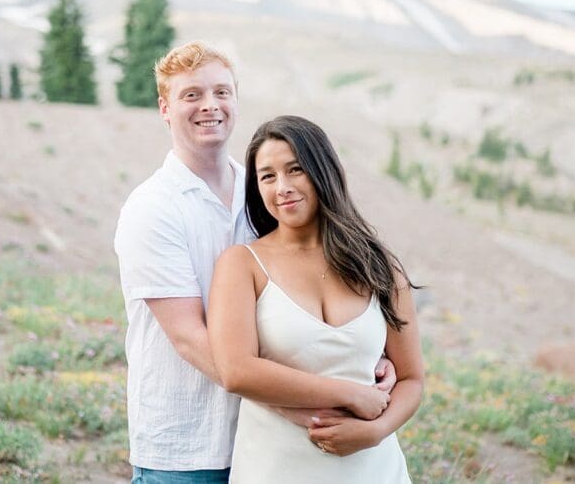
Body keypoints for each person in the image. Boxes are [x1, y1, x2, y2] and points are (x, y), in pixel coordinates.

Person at [115, 42, 395, 483]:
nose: (210, 105)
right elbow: (189, 339)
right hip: (189, 447)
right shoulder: (152, 208)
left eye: (221, 92)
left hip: (269, 448)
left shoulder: (267, 190)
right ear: (165, 108)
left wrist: (366, 358)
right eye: (192, 95)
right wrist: (306, 407)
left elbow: (309, 286)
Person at [208, 115, 424, 482]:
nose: (283, 187)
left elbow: (411, 378)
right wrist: (350, 394)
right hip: (275, 470)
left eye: (295, 170)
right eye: (267, 176)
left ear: (323, 171)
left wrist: (375, 431)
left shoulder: (379, 266)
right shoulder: (242, 264)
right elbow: (237, 371)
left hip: (376, 470)